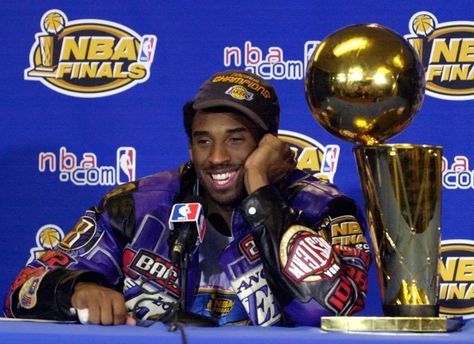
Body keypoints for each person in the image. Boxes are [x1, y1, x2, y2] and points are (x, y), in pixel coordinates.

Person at [4, 70, 371, 326]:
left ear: (268, 144)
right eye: (203, 140)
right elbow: (23, 292)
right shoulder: (136, 206)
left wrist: (259, 190)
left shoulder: (322, 209)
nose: (216, 158)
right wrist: (77, 290)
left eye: (236, 139)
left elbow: (322, 309)